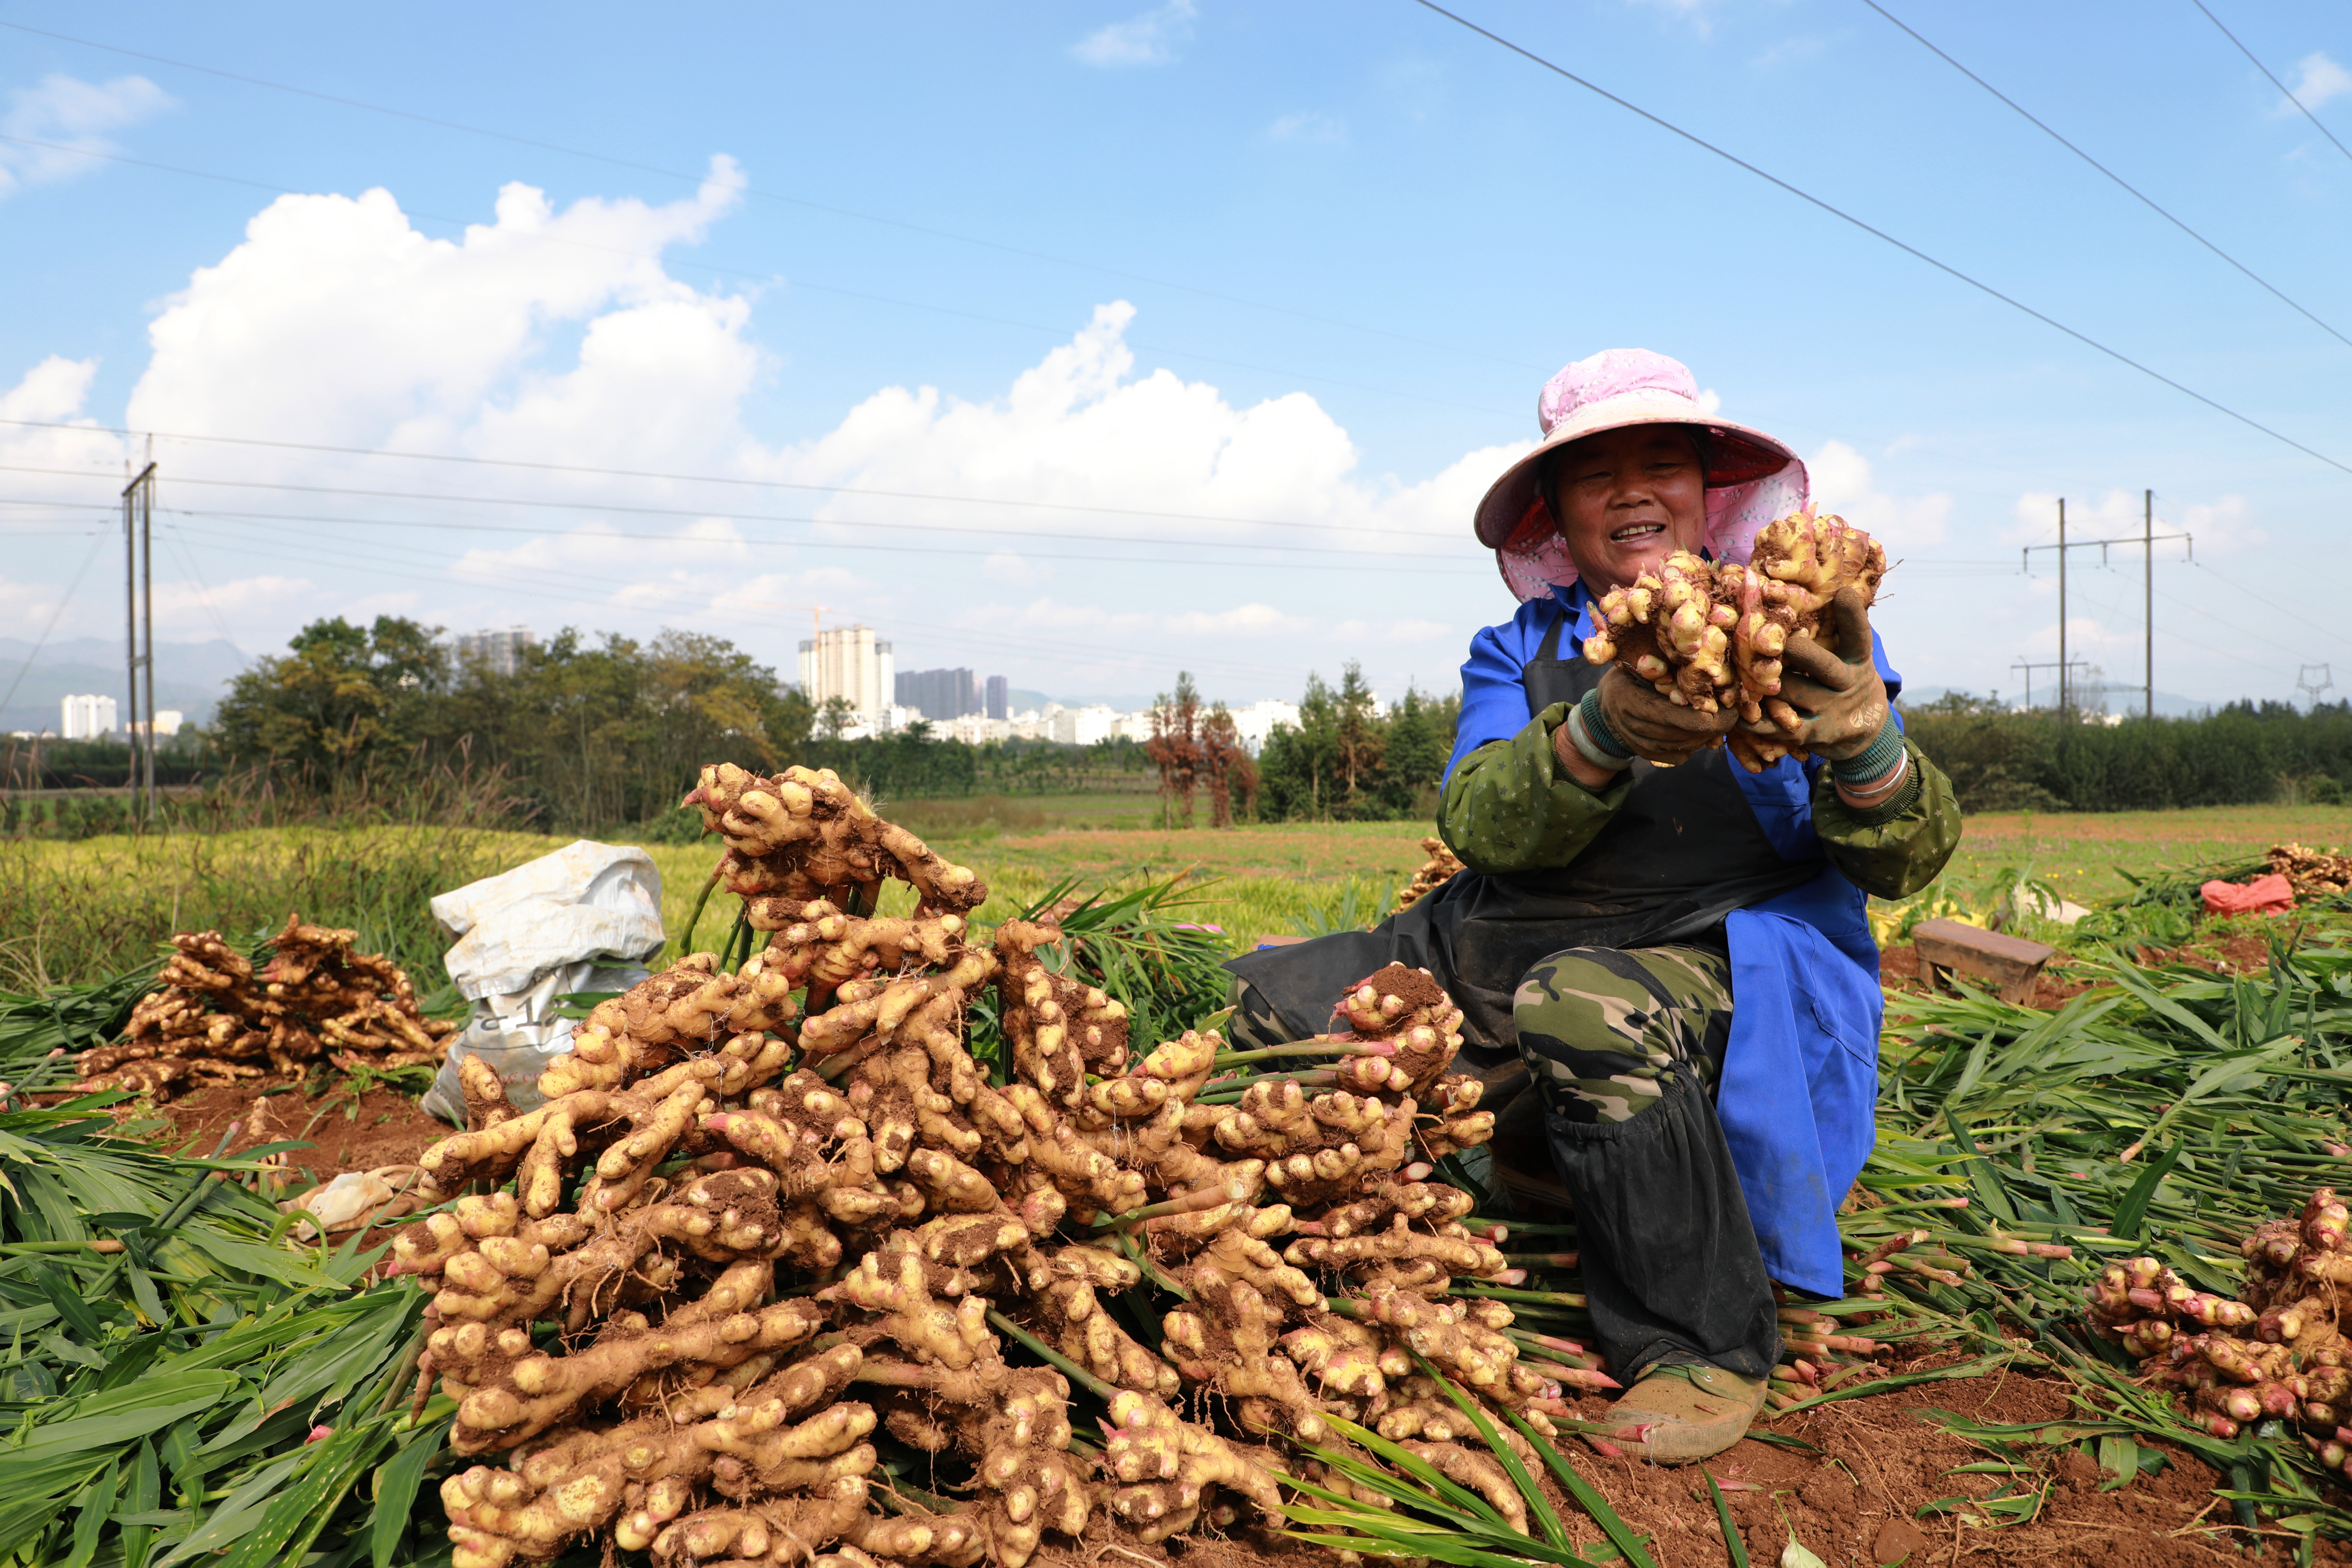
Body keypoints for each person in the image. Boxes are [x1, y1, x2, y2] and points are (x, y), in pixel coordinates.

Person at [1223, 348, 1962, 1463]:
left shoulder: (1799, 626)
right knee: (1266, 998)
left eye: (1660, 463)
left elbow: (1906, 857)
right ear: (1557, 516)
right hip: (1514, 937)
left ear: (1705, 493)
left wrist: (1868, 741)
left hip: (1721, 961)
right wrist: (1596, 733)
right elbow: (1479, 823)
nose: (1630, 491)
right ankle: (1535, 1159)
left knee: (1586, 1007)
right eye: (1592, 474)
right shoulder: (1516, 653)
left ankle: (1702, 1339)